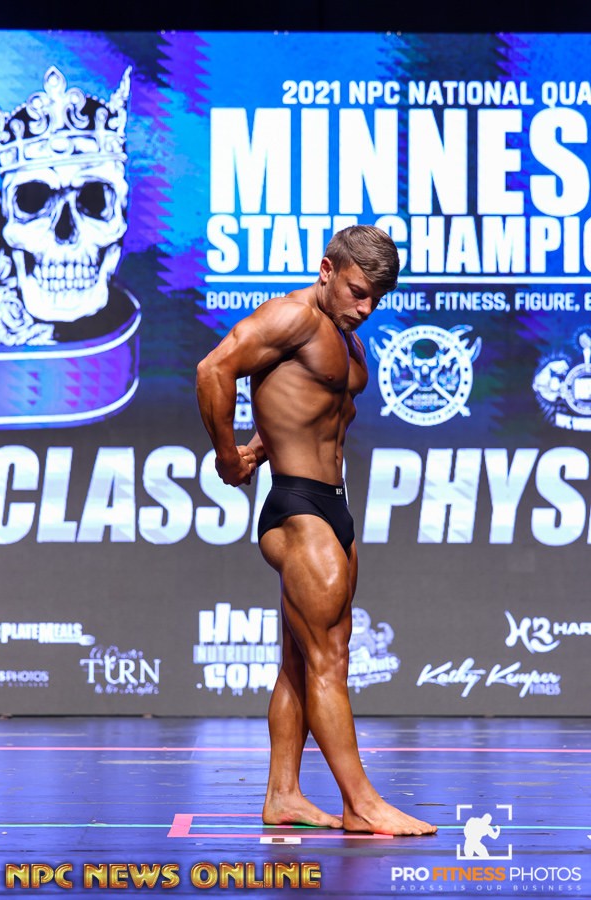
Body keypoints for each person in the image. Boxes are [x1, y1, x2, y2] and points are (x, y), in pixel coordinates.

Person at [196, 225, 437, 836]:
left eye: (377, 298)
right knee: (329, 659)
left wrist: (257, 446)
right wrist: (227, 456)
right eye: (358, 292)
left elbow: (303, 407)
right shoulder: (292, 317)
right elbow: (214, 368)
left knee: (300, 663)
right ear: (327, 270)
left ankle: (284, 795)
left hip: (333, 505)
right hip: (297, 507)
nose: (367, 307)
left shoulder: (347, 339)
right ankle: (361, 802)